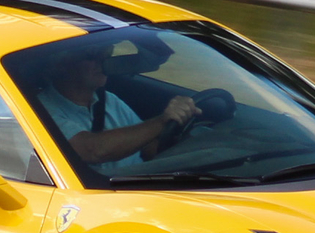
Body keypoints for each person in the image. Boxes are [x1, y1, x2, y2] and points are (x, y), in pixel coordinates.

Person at [36, 48, 196, 171]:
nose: (103, 62)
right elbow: (93, 150)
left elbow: (146, 145)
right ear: (61, 66)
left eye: (106, 54)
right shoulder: (42, 111)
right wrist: (162, 121)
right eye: (91, 56)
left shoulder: (108, 100)